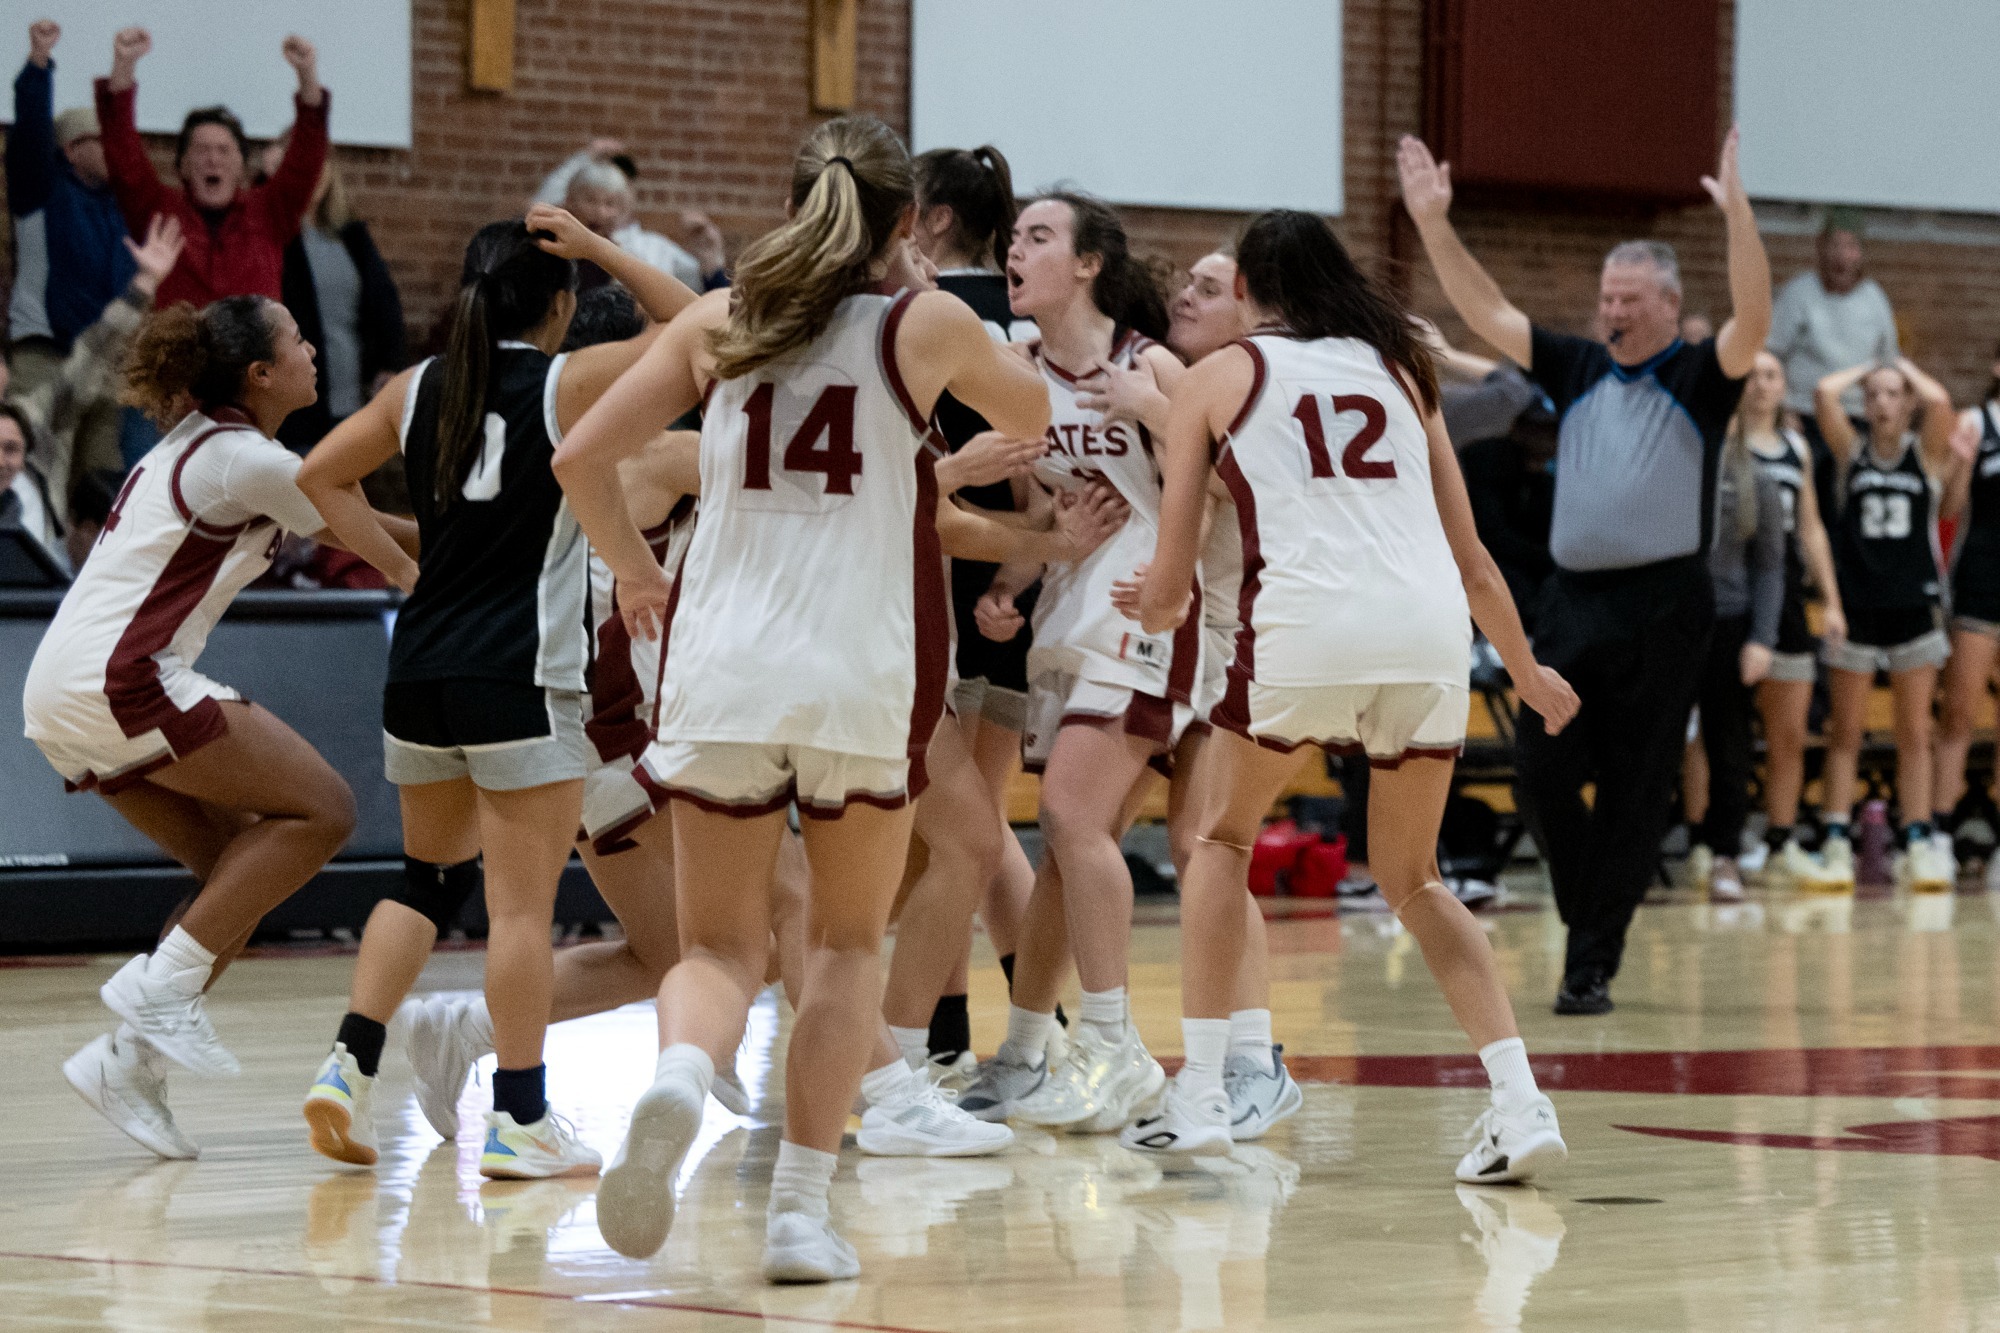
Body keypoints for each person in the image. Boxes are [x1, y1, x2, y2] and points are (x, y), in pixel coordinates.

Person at [549, 114, 1050, 1281]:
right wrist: (925, 310)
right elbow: (1026, 411)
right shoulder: (921, 323)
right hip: (853, 677)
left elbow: (579, 459)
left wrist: (631, 566)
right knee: (840, 944)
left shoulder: (721, 321)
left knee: (720, 947)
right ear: (901, 226)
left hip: (719, 669)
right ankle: (797, 1214)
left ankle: (678, 1077)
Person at [1112, 208, 1578, 1180]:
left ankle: (1199, 1090)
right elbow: (1474, 559)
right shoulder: (1401, 372)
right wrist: (1526, 674)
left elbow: (1168, 585)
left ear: (1244, 290)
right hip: (1424, 638)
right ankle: (1517, 1098)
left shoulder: (1217, 376)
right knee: (1412, 878)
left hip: (1308, 629)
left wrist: (1146, 605)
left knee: (1218, 840)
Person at [292, 205, 699, 1177]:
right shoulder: (568, 383)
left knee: (426, 882)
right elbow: (703, 326)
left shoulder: (415, 387)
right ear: (558, 306)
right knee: (520, 913)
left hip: (420, 666)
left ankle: (349, 1062)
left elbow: (316, 476)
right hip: (521, 673)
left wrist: (400, 566)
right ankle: (519, 1116)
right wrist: (603, 251)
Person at [1397, 128, 1771, 1015]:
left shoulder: (1699, 373)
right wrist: (1433, 223)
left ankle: (1589, 962)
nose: (1612, 310)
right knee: (1542, 770)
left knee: (1640, 791)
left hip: (1664, 606)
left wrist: (1741, 218)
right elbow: (1487, 311)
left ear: (1669, 305)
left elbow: (1753, 316)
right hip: (1572, 603)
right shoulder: (1578, 363)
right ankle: (1586, 909)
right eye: (1606, 295)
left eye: (1630, 298)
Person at [22, 292, 398, 1159]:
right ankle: (158, 996)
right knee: (328, 809)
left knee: (235, 875)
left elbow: (358, 524)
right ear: (261, 373)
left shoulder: (207, 445)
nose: (312, 347)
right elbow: (369, 534)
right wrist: (457, 562)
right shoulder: (244, 458)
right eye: (299, 338)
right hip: (121, 677)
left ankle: (130, 1064)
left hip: (63, 685)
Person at [952, 192, 1185, 1134]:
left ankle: (1116, 1047)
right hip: (1072, 612)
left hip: (1150, 611)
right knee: (1064, 854)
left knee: (1068, 815)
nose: (1016, 250)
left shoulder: (1148, 363)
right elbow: (1058, 516)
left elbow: (1216, 491)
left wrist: (1159, 411)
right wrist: (1010, 583)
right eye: (1013, 238)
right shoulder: (1016, 376)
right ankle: (1022, 1054)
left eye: (1039, 237)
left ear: (1088, 263)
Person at [905, 143, 1040, 1073]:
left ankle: (955, 1039)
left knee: (957, 838)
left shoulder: (922, 320)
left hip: (942, 588)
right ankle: (1024, 1034)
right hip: (1020, 588)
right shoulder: (1025, 324)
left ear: (936, 218)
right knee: (975, 830)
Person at [1813, 358, 1958, 891]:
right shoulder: (1852, 454)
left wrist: (1902, 366)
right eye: (1874, 395)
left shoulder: (1928, 455)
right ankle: (1834, 838)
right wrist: (1868, 367)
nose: (1882, 403)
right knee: (1845, 731)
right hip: (1856, 608)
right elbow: (1823, 392)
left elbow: (1941, 401)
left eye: (1893, 394)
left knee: (1914, 731)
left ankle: (1917, 839)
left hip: (1913, 607)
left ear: (1907, 402)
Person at [95, 27, 327, 312]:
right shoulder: (159, 212)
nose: (213, 160)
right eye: (201, 150)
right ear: (183, 165)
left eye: (224, 151)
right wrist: (124, 64)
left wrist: (307, 74)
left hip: (253, 356)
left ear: (242, 164)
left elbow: (307, 156)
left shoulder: (270, 211)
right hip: (180, 354)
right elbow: (123, 157)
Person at [1733, 351, 1848, 882]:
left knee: (1790, 734)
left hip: (1786, 603)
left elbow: (1811, 529)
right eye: (1753, 374)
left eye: (1772, 375)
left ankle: (1780, 839)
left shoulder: (1797, 448)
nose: (1762, 383)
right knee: (1718, 733)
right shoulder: (1724, 441)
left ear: (1784, 388)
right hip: (1732, 597)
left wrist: (1832, 601)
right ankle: (1717, 843)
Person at [9, 18, 135, 484]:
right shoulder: (39, 193)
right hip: (45, 357)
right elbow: (29, 130)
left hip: (103, 367)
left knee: (101, 491)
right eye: (99, 140)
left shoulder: (120, 209)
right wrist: (39, 63)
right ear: (71, 149)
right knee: (34, 481)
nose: (113, 148)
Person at [1685, 398, 1788, 901]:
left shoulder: (1757, 480)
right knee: (1653, 741)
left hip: (1730, 625)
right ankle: (1640, 854)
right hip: (1671, 626)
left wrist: (1762, 639)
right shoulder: (1668, 471)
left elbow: (1770, 565)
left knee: (1728, 744)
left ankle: (1725, 854)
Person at [260, 143, 406, 452]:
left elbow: (384, 304)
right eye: (301, 166)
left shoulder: (350, 235)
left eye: (318, 165)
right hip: (292, 408)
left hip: (348, 398)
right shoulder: (271, 235)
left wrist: (389, 364)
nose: (312, 175)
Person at [1769, 213, 1900, 521]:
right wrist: (1784, 409)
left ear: (1862, 255)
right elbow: (1772, 354)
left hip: (1857, 420)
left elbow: (1889, 362)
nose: (1842, 256)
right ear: (1820, 249)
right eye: (1835, 245)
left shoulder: (1874, 299)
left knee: (1852, 507)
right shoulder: (1799, 293)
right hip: (1804, 420)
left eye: (1851, 246)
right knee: (1808, 507)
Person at [1935, 344, 2000, 886]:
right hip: (1981, 576)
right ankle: (1939, 831)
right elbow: (1950, 508)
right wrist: (1961, 463)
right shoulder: (1977, 422)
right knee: (1959, 714)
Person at [534, 139, 727, 292]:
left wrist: (710, 259)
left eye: (610, 200)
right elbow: (539, 209)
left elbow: (707, 296)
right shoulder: (552, 247)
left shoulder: (655, 249)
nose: (601, 210)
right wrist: (583, 158)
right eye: (591, 198)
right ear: (570, 200)